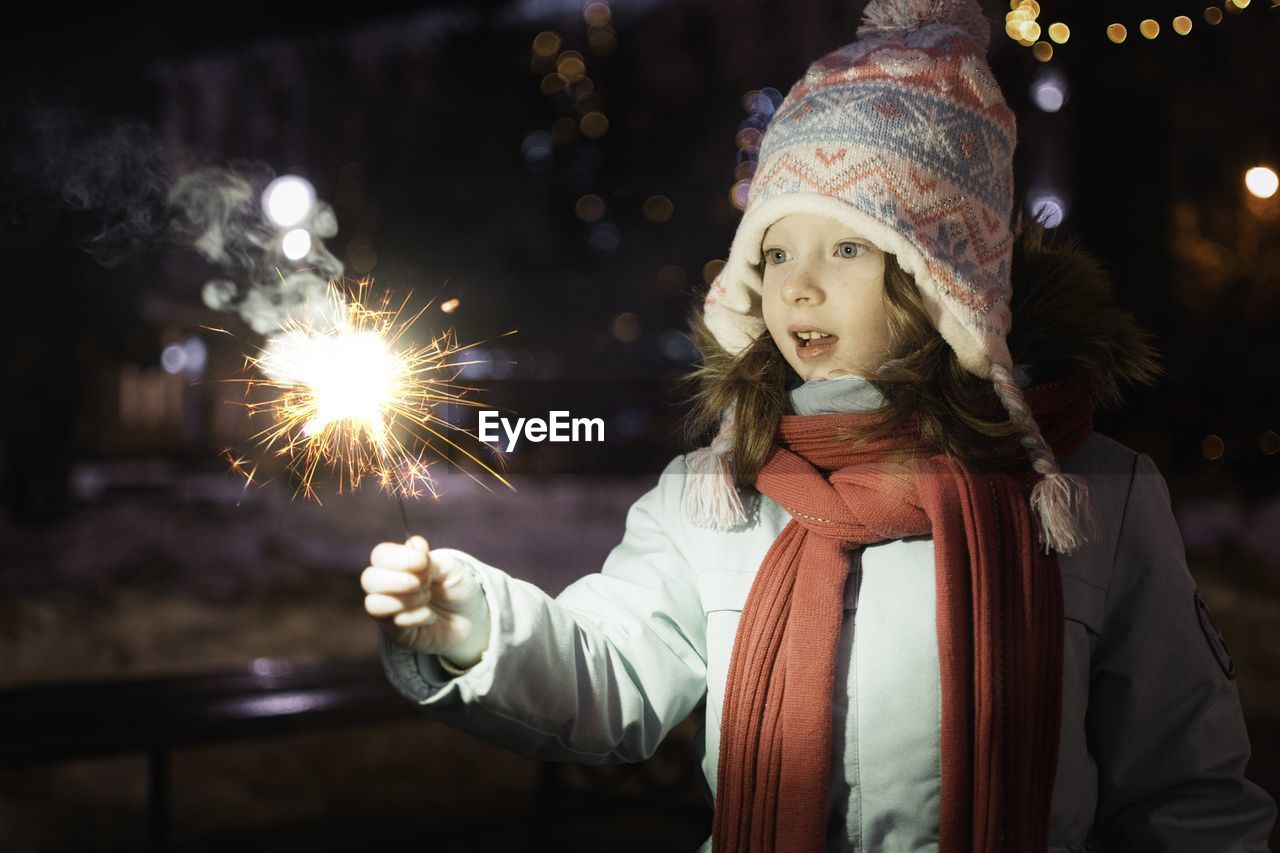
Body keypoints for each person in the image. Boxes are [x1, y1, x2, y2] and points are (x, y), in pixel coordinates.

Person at [361, 1, 1278, 849]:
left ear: (944, 276)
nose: (797, 283)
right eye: (776, 247)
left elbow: (1185, 786)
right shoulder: (716, 492)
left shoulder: (1084, 499)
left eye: (846, 245)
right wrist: (475, 625)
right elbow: (610, 675)